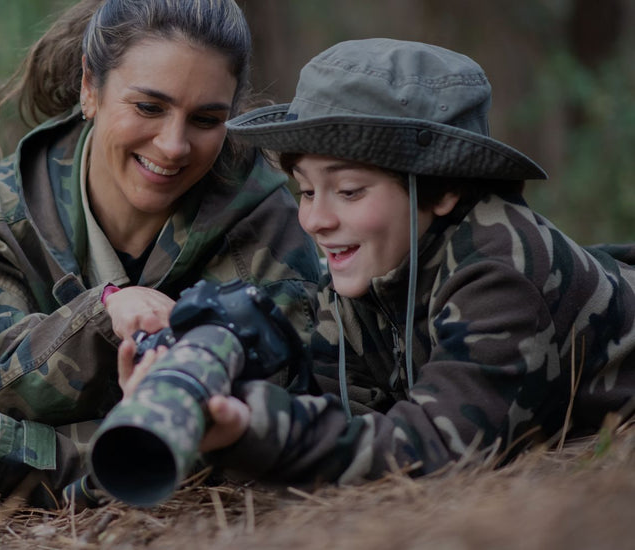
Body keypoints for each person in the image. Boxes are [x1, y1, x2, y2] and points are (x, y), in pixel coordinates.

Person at [128, 37, 635, 486]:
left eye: (348, 191)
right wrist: (194, 395)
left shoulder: (501, 269)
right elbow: (336, 410)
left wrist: (255, 426)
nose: (315, 220)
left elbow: (436, 450)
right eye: (305, 190)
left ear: (445, 188)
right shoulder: (367, 270)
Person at [0, 0, 321, 504]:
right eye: (149, 107)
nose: (174, 145)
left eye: (205, 118)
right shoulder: (3, 212)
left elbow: (250, 443)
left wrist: (14, 450)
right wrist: (106, 311)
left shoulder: (266, 225)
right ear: (90, 87)